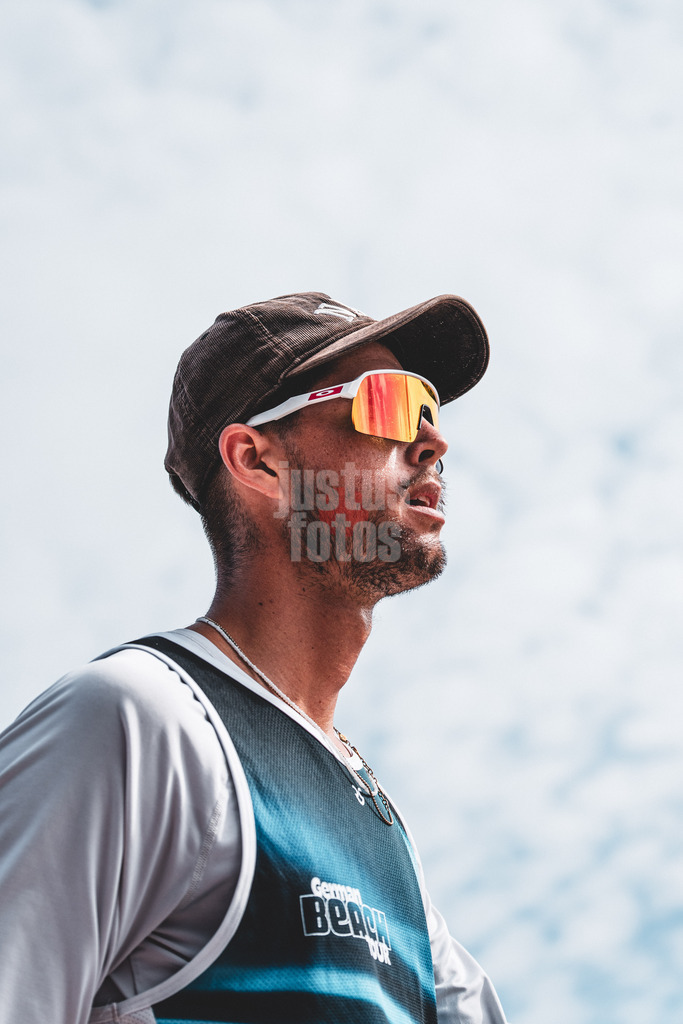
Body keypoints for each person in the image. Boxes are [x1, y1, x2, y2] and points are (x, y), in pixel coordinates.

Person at [0, 292, 509, 1024]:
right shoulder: (135, 723)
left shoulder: (389, 852)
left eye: (430, 407)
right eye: (391, 405)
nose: (433, 440)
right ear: (256, 459)